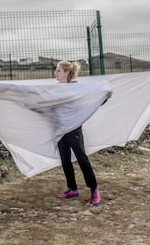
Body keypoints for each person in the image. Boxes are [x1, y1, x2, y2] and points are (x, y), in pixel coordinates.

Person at [54, 60, 112, 205]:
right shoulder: (53, 90)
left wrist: (103, 97)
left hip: (74, 130)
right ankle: (72, 188)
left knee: (81, 158)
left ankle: (94, 189)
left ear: (67, 73)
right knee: (65, 160)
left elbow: (89, 102)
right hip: (61, 131)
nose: (56, 73)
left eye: (59, 70)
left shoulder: (77, 88)